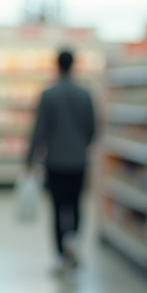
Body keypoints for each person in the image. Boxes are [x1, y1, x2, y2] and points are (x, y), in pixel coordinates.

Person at [26, 49, 96, 271]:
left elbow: (40, 130)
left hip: (55, 161)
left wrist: (30, 159)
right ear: (74, 65)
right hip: (78, 160)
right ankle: (72, 242)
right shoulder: (85, 94)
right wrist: (82, 146)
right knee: (76, 205)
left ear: (56, 65)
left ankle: (59, 256)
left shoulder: (49, 94)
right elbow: (92, 128)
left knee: (57, 208)